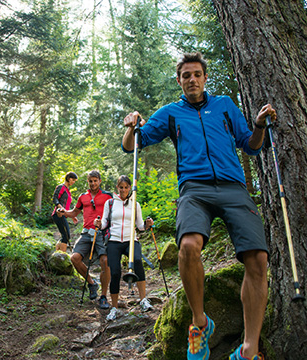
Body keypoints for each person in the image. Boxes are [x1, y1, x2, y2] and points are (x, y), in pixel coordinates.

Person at [122, 52, 276, 360]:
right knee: (188, 246)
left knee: (257, 259)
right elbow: (132, 145)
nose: (192, 79)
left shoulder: (225, 106)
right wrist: (131, 125)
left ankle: (248, 350)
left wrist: (259, 125)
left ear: (205, 78)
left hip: (234, 188)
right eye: (185, 75)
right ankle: (199, 323)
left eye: (197, 74)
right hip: (194, 188)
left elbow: (252, 145)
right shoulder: (171, 113)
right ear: (178, 81)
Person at [93, 175, 154, 321]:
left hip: (131, 240)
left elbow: (140, 226)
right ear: (117, 187)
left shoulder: (135, 204)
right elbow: (105, 223)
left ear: (130, 188)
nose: (124, 190)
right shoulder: (110, 203)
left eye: (126, 187)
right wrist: (98, 223)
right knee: (115, 272)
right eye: (121, 187)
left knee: (138, 262)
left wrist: (147, 224)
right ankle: (114, 308)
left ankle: (143, 300)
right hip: (114, 241)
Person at [58, 170, 112, 309]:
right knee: (74, 258)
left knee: (105, 261)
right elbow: (75, 212)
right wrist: (63, 212)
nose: (93, 183)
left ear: (100, 181)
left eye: (95, 180)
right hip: (86, 233)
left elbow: (119, 209)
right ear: (87, 182)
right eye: (90, 181)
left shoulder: (108, 196)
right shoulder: (83, 197)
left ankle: (104, 296)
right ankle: (92, 283)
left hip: (102, 232)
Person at [52, 171, 79, 253]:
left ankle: (58, 254)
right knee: (66, 235)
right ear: (69, 179)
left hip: (64, 215)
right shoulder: (61, 187)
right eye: (73, 180)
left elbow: (67, 206)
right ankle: (62, 255)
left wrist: (73, 216)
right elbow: (55, 198)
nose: (74, 182)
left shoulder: (68, 191)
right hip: (58, 214)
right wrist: (60, 208)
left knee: (65, 235)